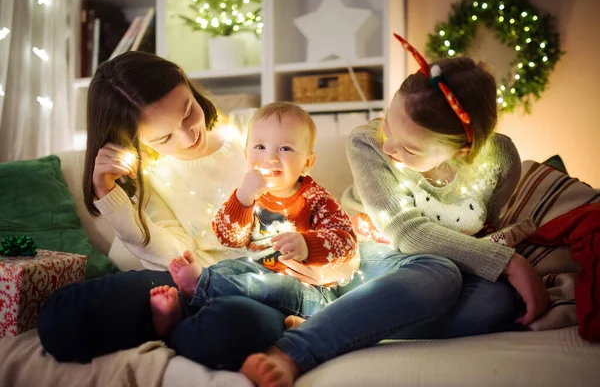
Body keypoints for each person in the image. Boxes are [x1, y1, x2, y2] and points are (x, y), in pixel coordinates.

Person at [239, 34, 550, 386]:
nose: (388, 147)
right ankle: (294, 350)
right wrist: (506, 261)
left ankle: (334, 315)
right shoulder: (366, 143)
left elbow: (483, 229)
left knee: (497, 303)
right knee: (438, 274)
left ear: (463, 151)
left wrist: (494, 259)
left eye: (410, 148)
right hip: (367, 251)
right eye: (388, 123)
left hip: (432, 269)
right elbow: (405, 231)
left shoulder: (501, 160)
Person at [37, 51, 357, 370]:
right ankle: (179, 325)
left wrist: (319, 267)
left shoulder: (258, 133)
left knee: (224, 326)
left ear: (187, 84)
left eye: (188, 112)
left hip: (264, 285)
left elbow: (331, 230)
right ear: (134, 140)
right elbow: (173, 257)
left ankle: (174, 329)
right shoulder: (151, 174)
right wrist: (109, 195)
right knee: (63, 319)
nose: (190, 136)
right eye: (164, 136)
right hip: (192, 279)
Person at [148, 102, 358, 338]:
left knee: (277, 286)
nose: (270, 157)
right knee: (229, 269)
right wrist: (243, 198)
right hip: (257, 273)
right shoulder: (250, 194)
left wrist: (308, 245)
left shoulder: (316, 199)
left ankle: (200, 287)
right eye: (260, 146)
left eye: (285, 149)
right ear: (247, 154)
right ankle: (178, 315)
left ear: (307, 163)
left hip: (308, 289)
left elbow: (347, 242)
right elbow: (229, 237)